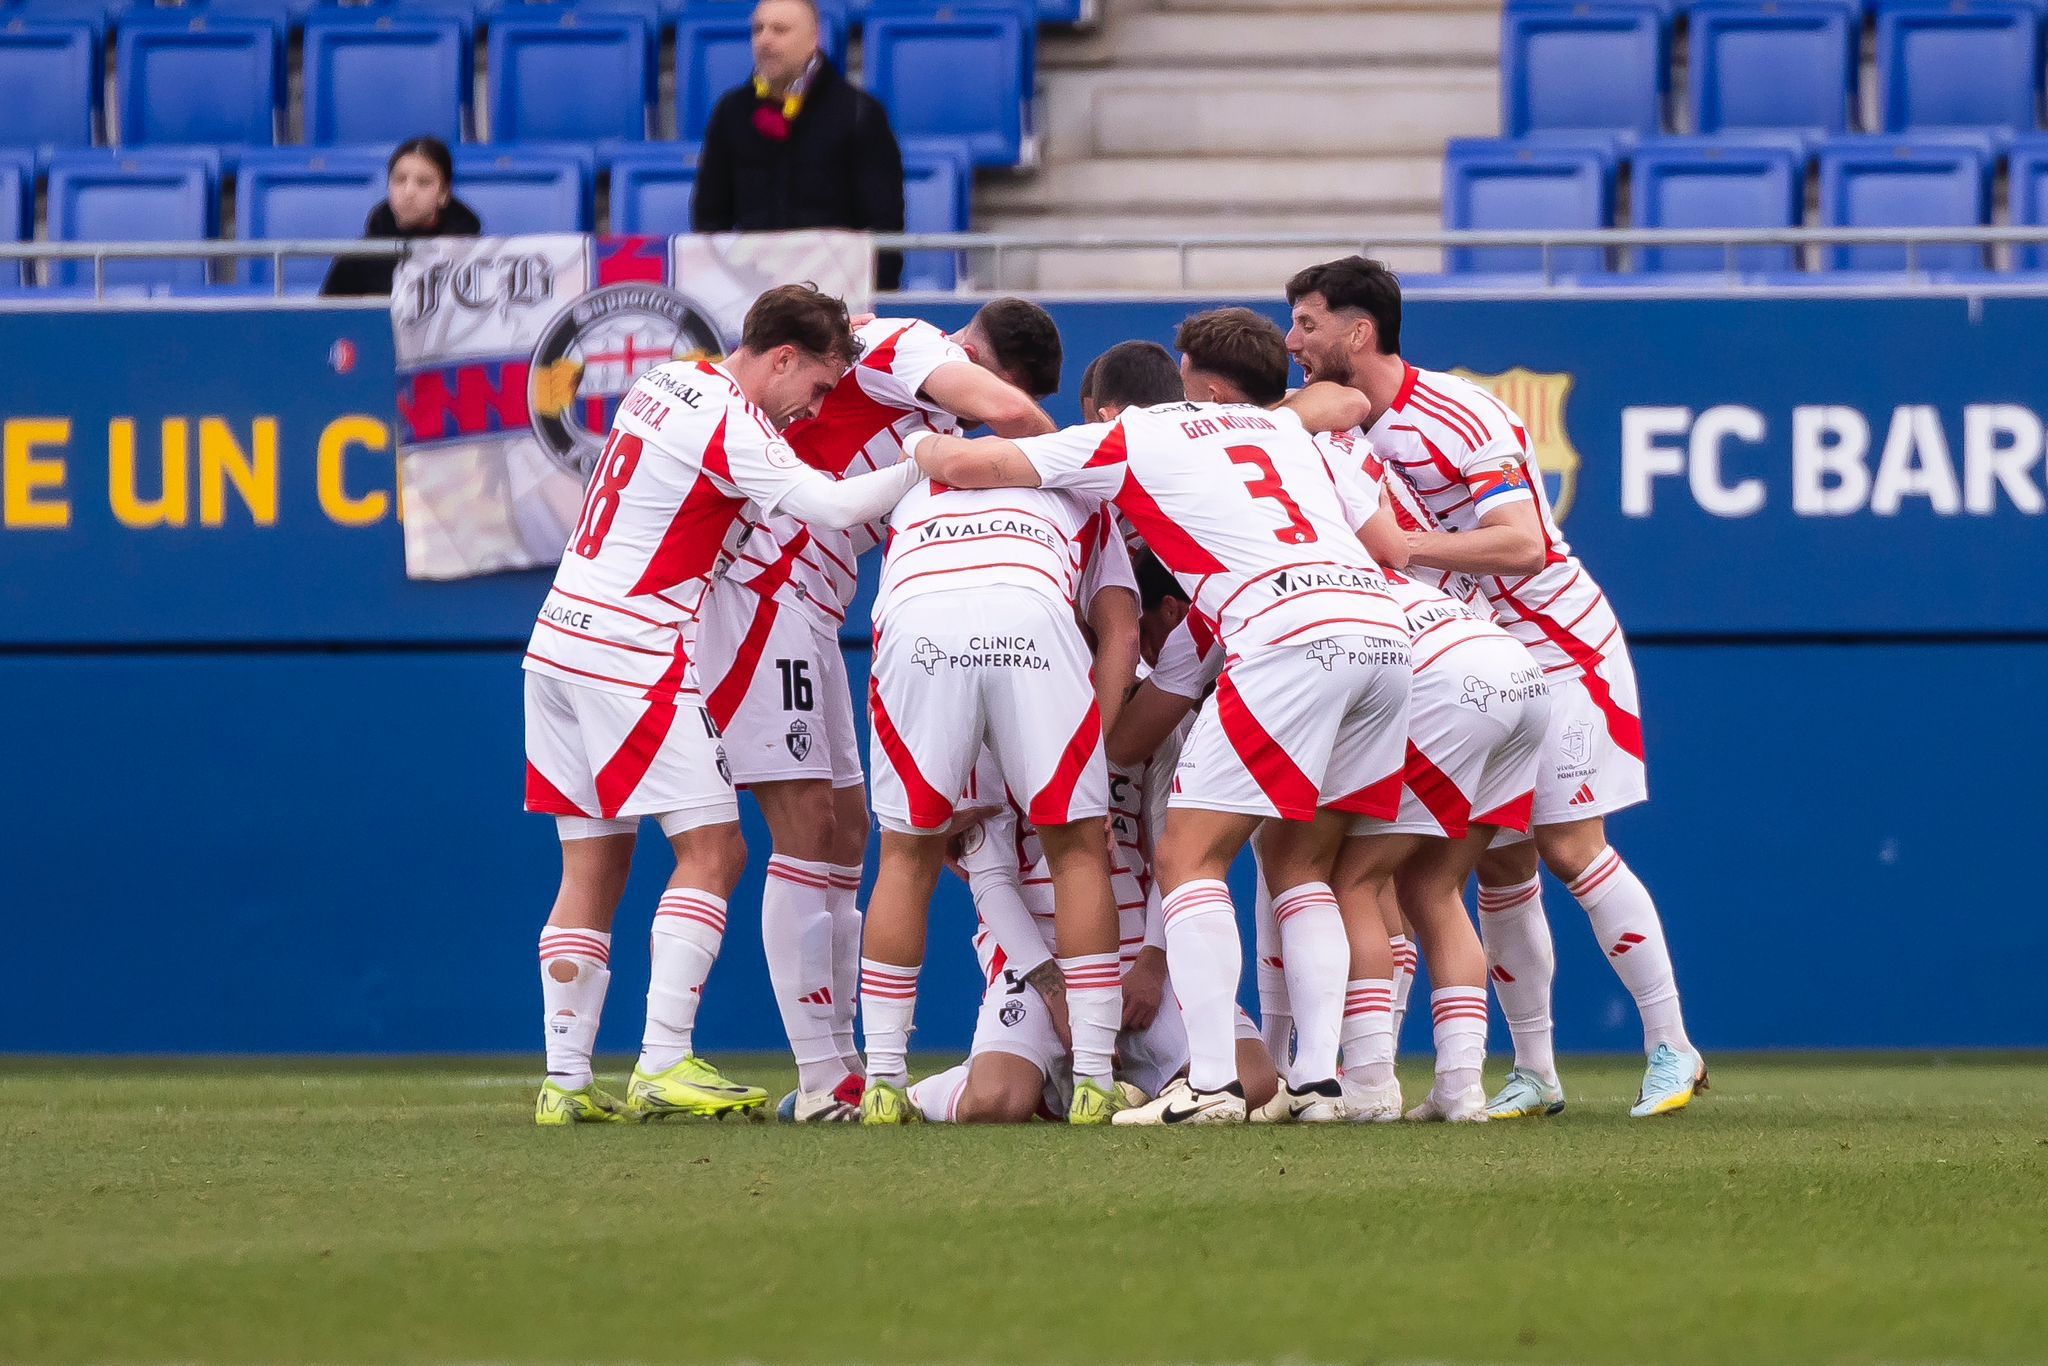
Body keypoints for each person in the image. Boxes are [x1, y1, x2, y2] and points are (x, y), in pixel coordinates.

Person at [905, 321, 1410, 1127]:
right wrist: (1264, 413)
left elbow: (974, 462)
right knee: (1308, 865)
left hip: (1283, 631)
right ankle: (1328, 1083)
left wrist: (920, 452)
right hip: (1381, 632)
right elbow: (1345, 398)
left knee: (1186, 853)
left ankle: (1208, 1085)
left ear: (1107, 409)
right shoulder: (1273, 420)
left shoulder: (1124, 439)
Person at [1284, 255, 1708, 1120]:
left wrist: (1405, 548)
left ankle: (1673, 1046)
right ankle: (1537, 1070)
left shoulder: (1460, 412)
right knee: (1499, 869)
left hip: (1555, 646)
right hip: (1469, 660)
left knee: (1570, 850)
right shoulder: (1331, 428)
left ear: (1358, 333)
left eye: (1308, 324)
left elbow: (1523, 545)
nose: (1295, 342)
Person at [524, 285, 928, 1126]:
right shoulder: (730, 417)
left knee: (591, 867)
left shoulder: (661, 384)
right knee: (715, 854)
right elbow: (833, 504)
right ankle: (664, 1058)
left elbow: (700, 509)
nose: (815, 405)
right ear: (782, 358)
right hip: (630, 652)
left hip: (555, 644)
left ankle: (565, 1082)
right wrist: (924, 462)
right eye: (815, 386)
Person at [691, 300, 1062, 1122]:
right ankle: (825, 1078)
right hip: (762, 587)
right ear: (971, 355)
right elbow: (1007, 413)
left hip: (812, 604)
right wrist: (1060, 463)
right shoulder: (908, 343)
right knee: (804, 828)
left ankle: (844, 1069)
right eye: (985, 385)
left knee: (847, 832)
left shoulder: (915, 410)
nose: (978, 421)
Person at [856, 424, 1138, 1126]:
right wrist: (1085, 758)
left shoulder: (914, 485)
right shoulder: (1082, 484)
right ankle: (1096, 1081)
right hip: (1032, 617)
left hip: (919, 621)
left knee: (907, 855)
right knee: (1076, 849)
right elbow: (1121, 630)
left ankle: (884, 1082)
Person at [692, 0, 907, 289]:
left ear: (813, 39)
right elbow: (709, 218)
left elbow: (884, 224)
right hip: (751, 291)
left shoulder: (859, 112)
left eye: (779, 30)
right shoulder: (731, 111)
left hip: (838, 294)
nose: (764, 40)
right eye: (758, 29)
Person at [320, 137, 479, 298]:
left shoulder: (474, 255)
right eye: (400, 180)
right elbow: (327, 318)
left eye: (423, 182)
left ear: (444, 194)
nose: (409, 192)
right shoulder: (358, 258)